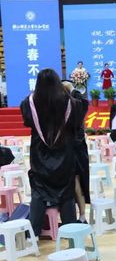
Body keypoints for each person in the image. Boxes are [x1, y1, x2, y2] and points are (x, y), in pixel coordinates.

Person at [20, 69, 85, 236]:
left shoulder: (30, 103)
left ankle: (33, 234)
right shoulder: (69, 102)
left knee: (39, 192)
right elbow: (81, 110)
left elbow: (27, 121)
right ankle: (71, 233)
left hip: (40, 155)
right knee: (67, 193)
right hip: (64, 154)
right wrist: (72, 89)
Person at [62, 80, 90, 224]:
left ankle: (82, 215)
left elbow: (84, 103)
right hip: (63, 152)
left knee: (76, 181)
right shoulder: (60, 107)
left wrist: (72, 88)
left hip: (75, 152)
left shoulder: (76, 109)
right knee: (73, 182)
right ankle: (77, 215)